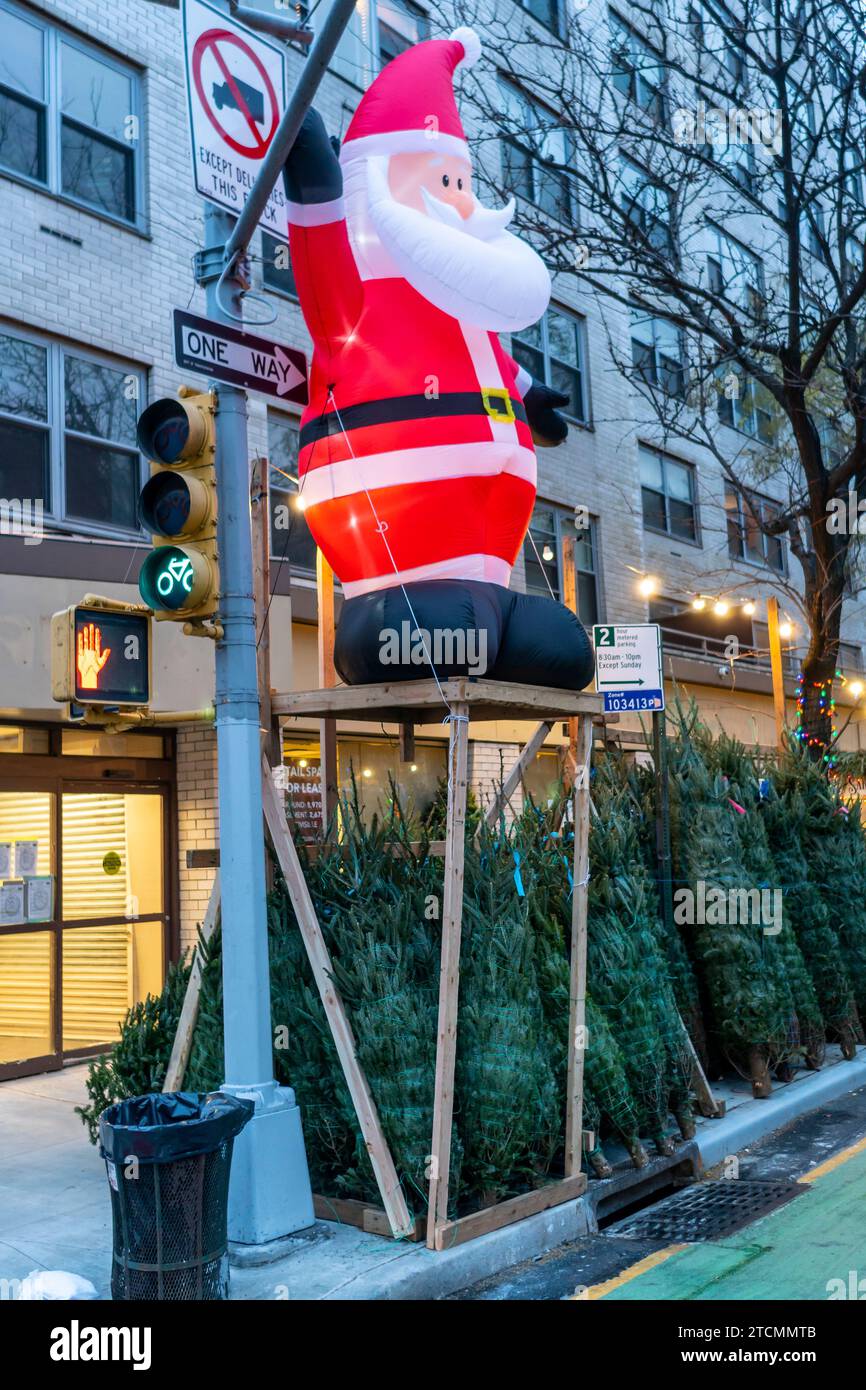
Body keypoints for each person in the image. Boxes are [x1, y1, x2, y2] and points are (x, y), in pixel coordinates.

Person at [283, 26, 595, 689]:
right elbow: (321, 276)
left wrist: (527, 393)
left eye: (463, 180)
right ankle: (387, 609)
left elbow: (487, 365)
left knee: (549, 647)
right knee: (441, 627)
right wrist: (313, 185)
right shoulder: (359, 300)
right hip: (393, 551)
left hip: (489, 553)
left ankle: (499, 605)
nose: (461, 199)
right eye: (443, 179)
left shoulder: (461, 299)